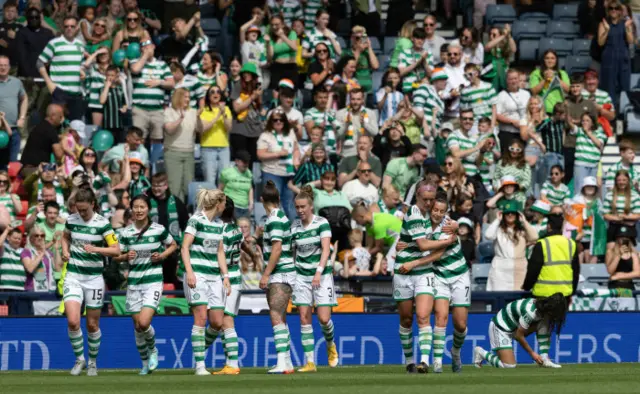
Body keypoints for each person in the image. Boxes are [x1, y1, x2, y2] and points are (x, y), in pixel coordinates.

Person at [394, 182, 455, 373]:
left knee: (422, 316)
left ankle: (424, 361)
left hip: (424, 271)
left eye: (431, 200)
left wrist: (453, 233)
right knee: (405, 319)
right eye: (425, 200)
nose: (428, 204)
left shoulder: (439, 216)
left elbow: (439, 246)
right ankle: (409, 361)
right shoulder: (413, 213)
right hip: (403, 270)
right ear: (418, 197)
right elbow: (422, 245)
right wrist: (447, 240)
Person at [61, 188, 120, 376]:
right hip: (74, 276)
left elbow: (116, 250)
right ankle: (80, 359)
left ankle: (93, 362)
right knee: (72, 321)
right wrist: (64, 251)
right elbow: (65, 237)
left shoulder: (103, 224)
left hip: (94, 279)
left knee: (92, 325)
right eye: (79, 209)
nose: (82, 213)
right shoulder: (71, 220)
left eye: (85, 210)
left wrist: (95, 249)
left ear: (93, 205)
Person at [118, 194, 177, 375]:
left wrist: (163, 255)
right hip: (134, 283)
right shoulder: (125, 232)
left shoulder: (158, 230)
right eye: (135, 207)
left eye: (142, 207)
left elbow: (174, 245)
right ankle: (144, 363)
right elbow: (116, 256)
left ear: (148, 209)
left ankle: (153, 350)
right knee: (137, 326)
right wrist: (124, 257)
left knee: (144, 323)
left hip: (152, 281)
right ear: (131, 209)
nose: (139, 210)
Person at [180, 188, 231, 375]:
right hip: (197, 275)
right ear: (218, 204)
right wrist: (190, 272)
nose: (225, 206)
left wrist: (225, 277)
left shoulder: (219, 225)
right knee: (200, 318)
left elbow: (220, 252)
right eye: (224, 202)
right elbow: (184, 247)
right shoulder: (195, 220)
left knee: (217, 322)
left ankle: (199, 351)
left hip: (214, 277)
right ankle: (200, 365)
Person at [290, 185, 338, 372]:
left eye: (303, 207)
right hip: (301, 276)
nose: (300, 210)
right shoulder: (294, 227)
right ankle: (310, 362)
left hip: (322, 276)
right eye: (297, 207)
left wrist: (318, 272)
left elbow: (326, 249)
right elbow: (292, 252)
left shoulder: (321, 223)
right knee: (304, 317)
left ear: (310, 206)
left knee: (324, 319)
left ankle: (330, 344)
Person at [522, 213, 580, 369]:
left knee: (538, 324)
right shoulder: (571, 244)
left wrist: (526, 286)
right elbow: (576, 271)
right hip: (563, 294)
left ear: (548, 226)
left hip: (543, 292)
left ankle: (542, 355)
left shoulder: (542, 244)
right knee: (547, 325)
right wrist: (572, 291)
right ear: (561, 227)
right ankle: (544, 356)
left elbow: (533, 268)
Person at [209, 198, 254, 375]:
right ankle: (229, 362)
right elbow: (244, 245)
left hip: (224, 278)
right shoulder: (236, 229)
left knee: (226, 321)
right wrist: (251, 254)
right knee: (221, 321)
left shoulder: (218, 230)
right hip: (236, 276)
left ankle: (232, 363)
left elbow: (217, 255)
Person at [429, 197, 470, 374]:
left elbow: (436, 254)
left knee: (460, 325)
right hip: (439, 276)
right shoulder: (422, 224)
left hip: (460, 275)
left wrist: (413, 263)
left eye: (441, 211)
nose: (437, 214)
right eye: (435, 210)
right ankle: (437, 362)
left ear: (446, 213)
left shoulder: (449, 226)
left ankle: (455, 352)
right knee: (441, 317)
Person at [258, 180, 295, 374]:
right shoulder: (279, 217)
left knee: (275, 314)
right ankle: (286, 361)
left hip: (281, 273)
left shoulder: (274, 220)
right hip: (283, 273)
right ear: (279, 199)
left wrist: (265, 274)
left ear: (262, 199)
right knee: (281, 316)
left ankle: (282, 361)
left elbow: (277, 248)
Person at [473, 293, 568, 369]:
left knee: (544, 323)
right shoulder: (531, 312)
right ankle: (481, 353)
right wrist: (533, 354)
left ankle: (544, 358)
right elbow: (519, 335)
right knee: (509, 366)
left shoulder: (543, 310)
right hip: (501, 327)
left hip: (514, 327)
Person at [129, 41, 175, 167]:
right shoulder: (135, 61)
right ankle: (140, 166)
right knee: (138, 139)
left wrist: (159, 82)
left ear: (154, 47)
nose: (146, 48)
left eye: (148, 46)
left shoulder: (162, 65)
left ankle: (155, 168)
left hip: (157, 109)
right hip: (140, 109)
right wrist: (144, 56)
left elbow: (171, 83)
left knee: (157, 138)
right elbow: (134, 69)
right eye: (143, 46)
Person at [37, 16, 84, 121]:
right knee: (56, 123)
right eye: (66, 26)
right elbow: (39, 62)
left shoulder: (80, 45)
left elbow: (79, 63)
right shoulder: (54, 43)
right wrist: (49, 82)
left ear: (77, 28)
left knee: (75, 125)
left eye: (72, 26)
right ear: (62, 28)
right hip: (59, 91)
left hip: (76, 93)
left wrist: (82, 71)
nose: (69, 28)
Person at [14, 6, 54, 128]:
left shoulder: (48, 33)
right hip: (28, 79)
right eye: (31, 17)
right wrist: (29, 76)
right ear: (27, 19)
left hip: (45, 79)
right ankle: (24, 138)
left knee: (43, 110)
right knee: (26, 109)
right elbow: (22, 56)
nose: (34, 19)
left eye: (37, 17)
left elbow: (52, 55)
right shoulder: (22, 33)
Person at [485, 201, 539, 291]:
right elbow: (488, 235)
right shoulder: (498, 229)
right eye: (507, 213)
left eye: (513, 213)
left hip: (519, 269)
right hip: (500, 269)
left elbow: (534, 237)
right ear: (503, 215)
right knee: (499, 299)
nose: (510, 215)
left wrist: (524, 221)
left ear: (517, 215)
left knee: (519, 299)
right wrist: (497, 220)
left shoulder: (522, 230)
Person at [257, 110, 299, 221]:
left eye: (281, 119)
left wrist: (296, 160)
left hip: (289, 173)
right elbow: (260, 154)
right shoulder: (265, 135)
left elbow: (295, 149)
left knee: (290, 205)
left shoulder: (290, 132)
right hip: (272, 173)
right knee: (273, 204)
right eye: (275, 120)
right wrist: (278, 154)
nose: (278, 122)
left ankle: (292, 232)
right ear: (271, 121)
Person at [163, 88, 201, 200]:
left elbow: (200, 130)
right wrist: (180, 118)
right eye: (185, 97)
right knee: (174, 187)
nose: (188, 99)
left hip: (189, 153)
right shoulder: (169, 111)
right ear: (178, 97)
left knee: (188, 186)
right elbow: (169, 130)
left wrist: (198, 118)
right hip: (173, 153)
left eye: (189, 97)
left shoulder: (193, 112)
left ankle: (185, 210)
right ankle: (178, 212)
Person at [598, 1, 633, 108]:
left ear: (620, 11)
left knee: (625, 87)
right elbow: (600, 42)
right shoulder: (603, 23)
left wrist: (627, 29)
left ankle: (624, 115)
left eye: (616, 8)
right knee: (609, 88)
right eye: (611, 8)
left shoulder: (626, 23)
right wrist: (606, 30)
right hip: (609, 58)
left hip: (623, 58)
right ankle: (610, 114)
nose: (613, 10)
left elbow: (631, 40)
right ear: (608, 11)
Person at [19, 104, 64, 178]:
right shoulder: (51, 131)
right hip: (35, 170)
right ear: (53, 116)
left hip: (25, 168)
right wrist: (64, 142)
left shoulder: (37, 127)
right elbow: (59, 155)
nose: (61, 119)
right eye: (60, 116)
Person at [447, 108, 490, 178]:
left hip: (473, 178)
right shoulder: (454, 135)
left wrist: (482, 152)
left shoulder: (473, 139)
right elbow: (456, 154)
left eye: (470, 119)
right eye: (465, 119)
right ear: (460, 120)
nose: (468, 121)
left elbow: (478, 163)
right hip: (459, 178)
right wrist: (476, 147)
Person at [570, 112, 606, 195]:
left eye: (587, 120)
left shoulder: (600, 133)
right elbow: (569, 122)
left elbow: (599, 144)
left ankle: (596, 207)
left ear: (592, 122)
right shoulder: (579, 131)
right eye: (583, 121)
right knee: (579, 188)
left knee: (596, 189)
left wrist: (588, 132)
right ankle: (579, 207)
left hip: (595, 165)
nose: (585, 122)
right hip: (581, 165)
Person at [336, 88, 379, 157]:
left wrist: (365, 124)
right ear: (349, 99)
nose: (355, 102)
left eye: (358, 99)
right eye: (353, 99)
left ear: (362, 100)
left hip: (365, 153)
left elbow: (375, 132)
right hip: (347, 154)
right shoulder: (340, 113)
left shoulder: (370, 113)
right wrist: (346, 124)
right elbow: (338, 136)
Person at [0, 56, 27, 163]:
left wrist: (22, 117)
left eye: (5, 65)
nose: (3, 68)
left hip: (14, 129)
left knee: (13, 164)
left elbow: (24, 98)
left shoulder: (16, 82)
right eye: (0, 65)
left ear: (9, 67)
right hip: (0, 130)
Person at [603, 170, 640, 248]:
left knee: (625, 251)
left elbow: (638, 215)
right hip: (613, 226)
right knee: (610, 250)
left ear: (628, 181)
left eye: (624, 180)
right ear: (615, 181)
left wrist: (625, 217)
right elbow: (605, 214)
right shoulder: (609, 195)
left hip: (629, 228)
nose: (621, 182)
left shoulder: (635, 195)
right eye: (619, 180)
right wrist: (617, 218)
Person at [496, 69, 530, 152]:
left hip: (523, 133)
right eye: (511, 79)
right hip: (507, 133)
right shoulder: (501, 95)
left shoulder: (526, 94)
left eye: (515, 78)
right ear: (507, 80)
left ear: (519, 79)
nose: (514, 81)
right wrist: (512, 122)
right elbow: (496, 114)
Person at [529, 50, 570, 115]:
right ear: (543, 60)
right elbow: (534, 91)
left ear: (556, 60)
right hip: (543, 109)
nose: (550, 61)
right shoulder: (536, 73)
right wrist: (545, 79)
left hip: (559, 109)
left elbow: (568, 89)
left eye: (552, 58)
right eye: (547, 58)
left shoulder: (562, 73)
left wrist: (556, 77)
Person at [22, 225, 60, 292]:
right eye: (36, 235)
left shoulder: (48, 253)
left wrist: (56, 249)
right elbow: (30, 269)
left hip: (50, 289)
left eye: (42, 235)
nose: (40, 238)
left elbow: (57, 268)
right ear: (31, 238)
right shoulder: (26, 252)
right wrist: (42, 253)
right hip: (33, 290)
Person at [492, 139, 530, 205]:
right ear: (508, 149)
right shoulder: (501, 162)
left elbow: (527, 182)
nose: (514, 151)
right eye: (512, 149)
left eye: (517, 149)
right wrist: (498, 188)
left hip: (518, 197)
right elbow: (495, 179)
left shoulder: (525, 165)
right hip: (502, 196)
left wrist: (514, 187)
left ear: (521, 151)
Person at [343, 26, 379, 94]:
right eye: (357, 38)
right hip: (353, 90)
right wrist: (358, 51)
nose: (359, 40)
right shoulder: (346, 52)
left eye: (362, 38)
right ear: (352, 38)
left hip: (368, 90)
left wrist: (369, 47)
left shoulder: (367, 53)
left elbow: (376, 66)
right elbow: (350, 67)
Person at [266, 15, 298, 90]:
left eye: (276, 24)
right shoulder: (271, 37)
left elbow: (294, 48)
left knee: (291, 91)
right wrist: (267, 43)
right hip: (277, 67)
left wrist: (282, 36)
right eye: (272, 25)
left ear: (283, 24)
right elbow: (270, 57)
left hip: (291, 66)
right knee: (276, 91)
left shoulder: (291, 33)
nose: (274, 27)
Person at [219, 150, 254, 219]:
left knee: (244, 229)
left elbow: (250, 188)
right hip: (231, 207)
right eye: (244, 162)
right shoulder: (227, 173)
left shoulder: (249, 173)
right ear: (236, 161)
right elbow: (220, 189)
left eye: (247, 162)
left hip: (245, 208)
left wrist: (251, 203)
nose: (246, 164)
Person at [605, 225, 640, 290]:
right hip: (615, 284)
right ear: (617, 238)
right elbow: (610, 271)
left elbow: (638, 273)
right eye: (621, 237)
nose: (623, 239)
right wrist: (618, 255)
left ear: (629, 239)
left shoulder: (633, 254)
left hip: (629, 284)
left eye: (626, 237)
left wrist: (619, 276)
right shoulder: (610, 252)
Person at [398, 28, 431, 94]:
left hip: (422, 86)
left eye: (422, 39)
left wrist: (424, 61)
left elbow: (430, 75)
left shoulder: (428, 53)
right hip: (410, 87)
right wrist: (418, 62)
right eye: (417, 38)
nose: (420, 41)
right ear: (412, 38)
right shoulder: (404, 53)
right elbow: (401, 73)